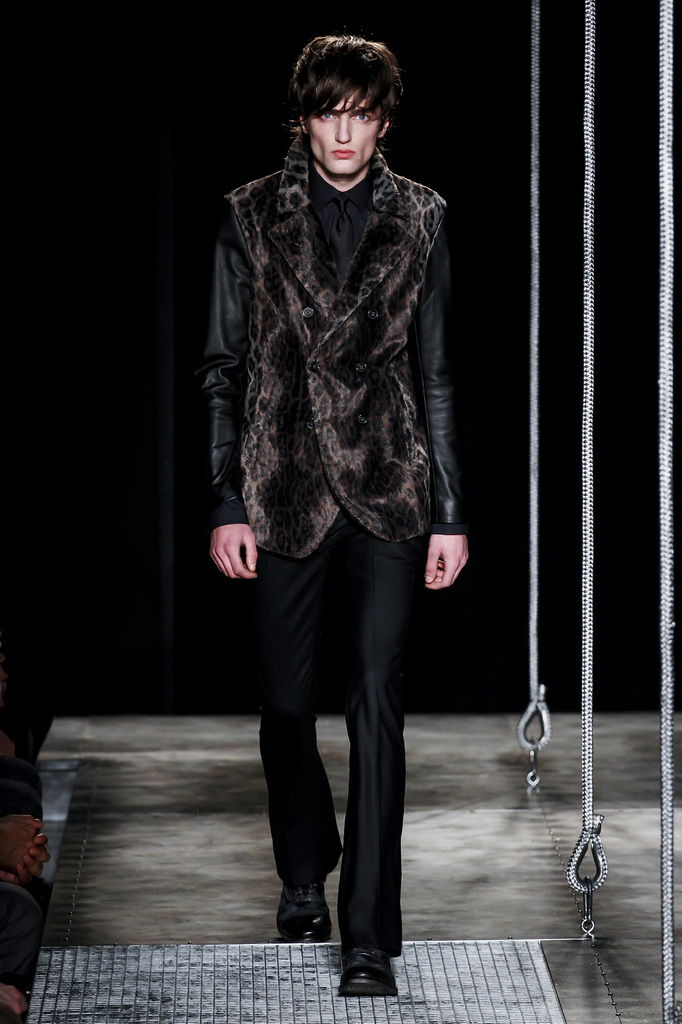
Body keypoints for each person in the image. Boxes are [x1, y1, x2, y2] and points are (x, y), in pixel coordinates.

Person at [197, 33, 468, 997]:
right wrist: (226, 498)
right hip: (282, 488)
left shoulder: (423, 217)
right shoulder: (249, 214)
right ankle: (305, 863)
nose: (344, 132)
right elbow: (222, 369)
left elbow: (437, 374)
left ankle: (369, 940)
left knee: (377, 705)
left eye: (361, 114)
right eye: (328, 113)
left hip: (390, 487)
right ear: (304, 119)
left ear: (384, 121)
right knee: (283, 703)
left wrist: (450, 513)